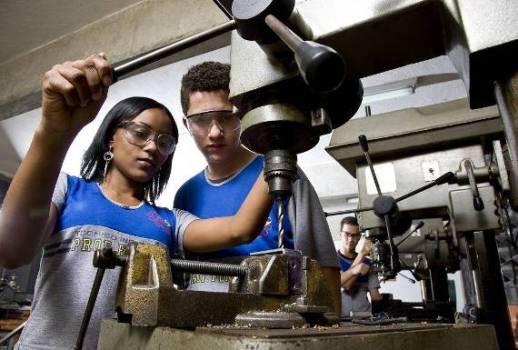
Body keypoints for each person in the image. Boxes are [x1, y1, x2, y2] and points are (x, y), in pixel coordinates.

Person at [0, 54, 272, 350]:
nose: (153, 147)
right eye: (140, 133)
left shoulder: (170, 222)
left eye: (165, 142)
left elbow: (239, 229)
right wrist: (53, 131)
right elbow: (12, 250)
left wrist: (278, 147)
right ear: (110, 139)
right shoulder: (68, 190)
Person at [174, 61, 341, 314]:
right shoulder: (186, 194)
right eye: (201, 120)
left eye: (227, 117)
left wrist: (331, 327)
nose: (215, 132)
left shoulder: (281, 173)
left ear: (242, 114)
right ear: (186, 124)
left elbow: (323, 265)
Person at [337, 216, 382, 318]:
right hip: (341, 320)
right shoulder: (333, 260)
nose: (351, 239)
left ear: (359, 237)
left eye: (355, 235)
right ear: (340, 234)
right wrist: (361, 255)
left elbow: (375, 295)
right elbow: (344, 285)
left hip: (365, 318)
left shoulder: (368, 263)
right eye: (347, 234)